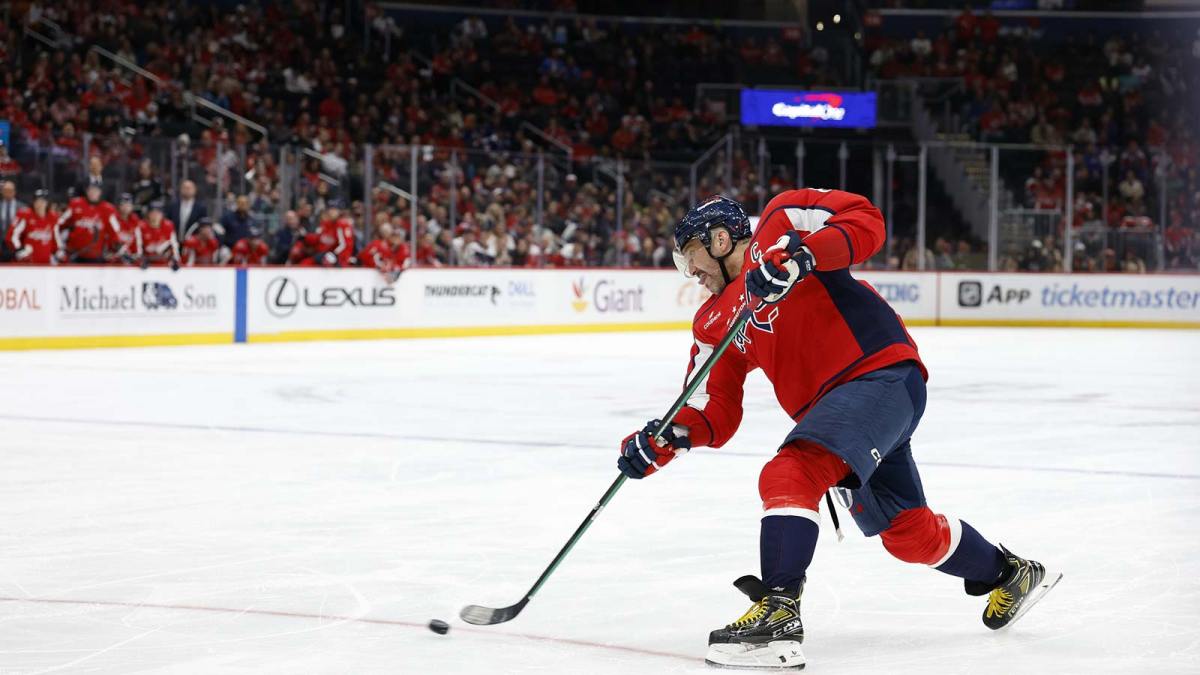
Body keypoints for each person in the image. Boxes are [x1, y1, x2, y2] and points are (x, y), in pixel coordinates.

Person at [618, 192, 1059, 670]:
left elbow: (865, 218)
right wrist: (662, 439)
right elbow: (713, 408)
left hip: (878, 375)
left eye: (691, 257)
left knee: (791, 472)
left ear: (720, 239)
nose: (690, 272)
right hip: (842, 412)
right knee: (906, 533)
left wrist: (804, 257)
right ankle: (1008, 574)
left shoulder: (783, 221)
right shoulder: (710, 322)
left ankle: (779, 614)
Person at [55, 183, 121, 264]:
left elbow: (115, 231)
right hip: (74, 254)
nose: (93, 193)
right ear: (86, 191)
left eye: (95, 190)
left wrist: (115, 247)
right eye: (90, 190)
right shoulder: (75, 204)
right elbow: (59, 223)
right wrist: (60, 246)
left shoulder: (108, 209)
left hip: (95, 256)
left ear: (100, 192)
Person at [8, 189, 58, 264]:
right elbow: (12, 236)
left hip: (46, 263)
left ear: (47, 203)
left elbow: (56, 239)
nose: (39, 204)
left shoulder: (52, 217)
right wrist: (19, 249)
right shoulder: (25, 215)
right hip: (28, 263)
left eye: (42, 201)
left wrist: (57, 252)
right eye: (36, 201)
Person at [135, 201, 181, 268]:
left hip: (164, 265)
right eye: (152, 213)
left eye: (158, 213)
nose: (155, 215)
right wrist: (140, 260)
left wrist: (176, 260)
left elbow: (174, 245)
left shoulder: (169, 226)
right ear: (148, 214)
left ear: (162, 214)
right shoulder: (141, 227)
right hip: (146, 265)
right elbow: (137, 246)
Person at [0, 180, 24, 262]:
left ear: (14, 192)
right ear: (2, 192)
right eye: (5, 190)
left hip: (16, 243)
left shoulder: (22, 207)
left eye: (10, 190)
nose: (8, 193)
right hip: (1, 243)